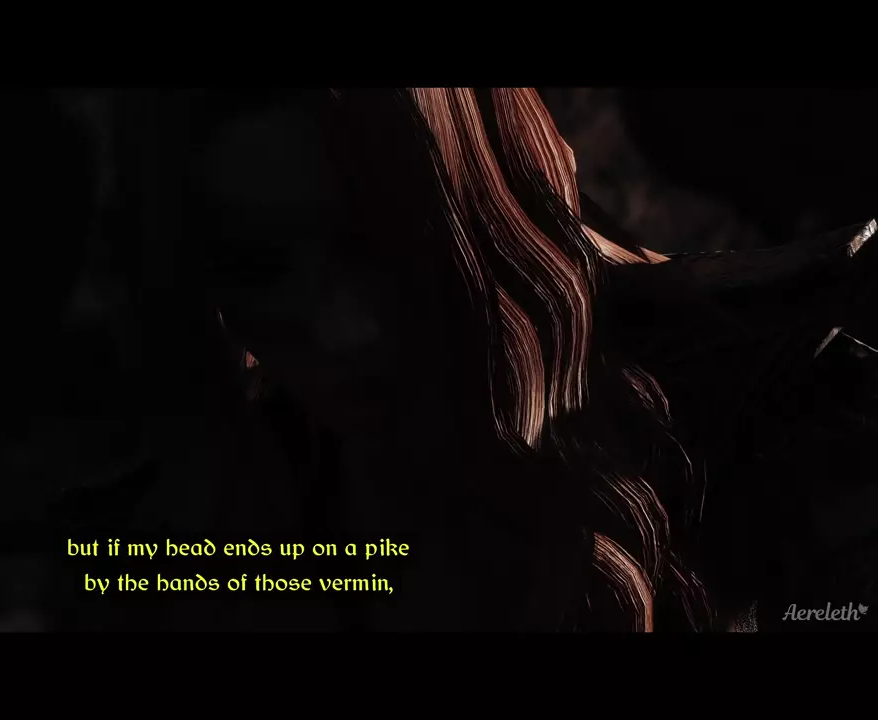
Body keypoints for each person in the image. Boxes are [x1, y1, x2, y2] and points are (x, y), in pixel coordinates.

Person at [194, 88, 878, 631]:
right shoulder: (235, 513)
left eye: (381, 250)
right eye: (261, 265)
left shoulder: (791, 436)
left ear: (477, 216)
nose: (342, 329)